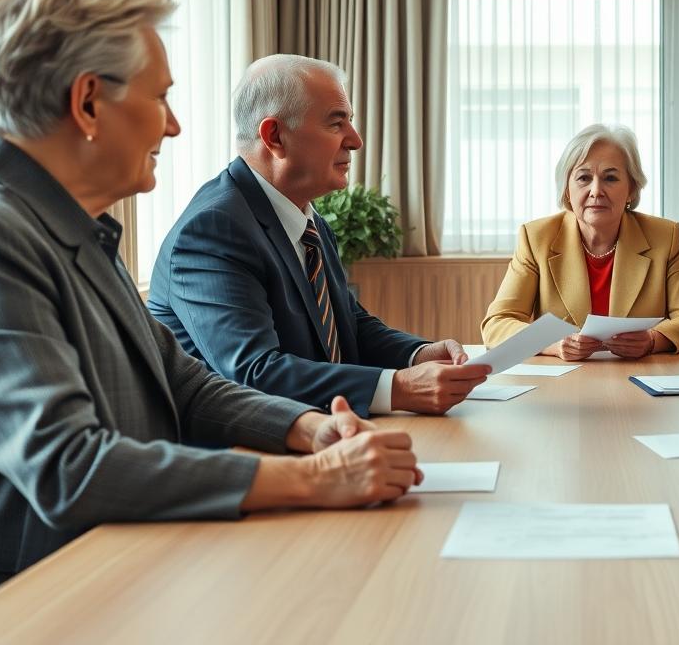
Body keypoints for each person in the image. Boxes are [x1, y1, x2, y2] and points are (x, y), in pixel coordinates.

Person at [0, 0, 422, 590]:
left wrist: (312, 429)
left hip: (116, 565)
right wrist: (317, 478)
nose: (175, 125)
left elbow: (187, 387)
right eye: (160, 97)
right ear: (89, 102)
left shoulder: (72, 228)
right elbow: (71, 468)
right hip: (14, 599)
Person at [148, 55, 490, 415]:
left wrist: (416, 354)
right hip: (248, 456)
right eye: (336, 123)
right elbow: (253, 373)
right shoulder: (212, 230)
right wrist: (399, 388)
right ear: (274, 136)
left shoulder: (308, 220)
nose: (355, 141)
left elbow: (349, 326)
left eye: (350, 123)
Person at [482, 124, 679, 359]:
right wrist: (551, 344)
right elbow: (497, 324)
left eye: (610, 178)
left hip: (639, 376)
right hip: (563, 381)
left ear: (631, 189)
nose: (596, 190)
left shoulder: (664, 237)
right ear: (567, 190)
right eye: (583, 178)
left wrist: (653, 339)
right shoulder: (536, 238)